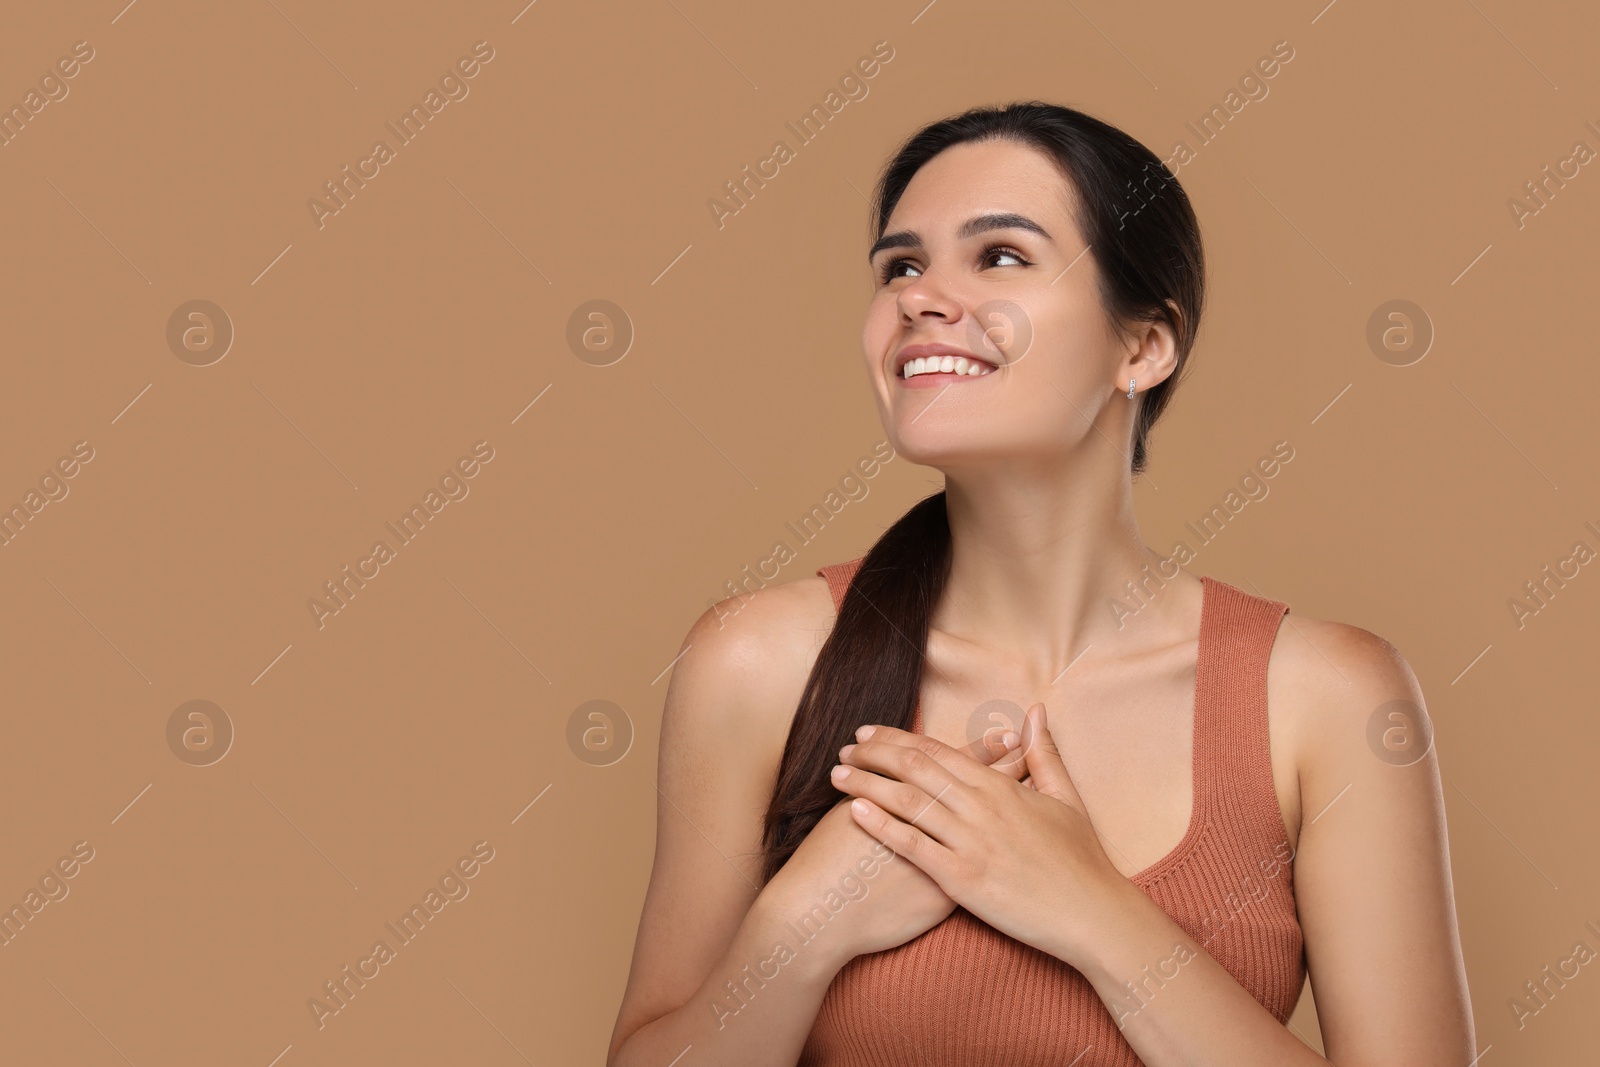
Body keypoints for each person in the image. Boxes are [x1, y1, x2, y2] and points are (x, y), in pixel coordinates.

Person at [607, 101, 1475, 1066]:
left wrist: (1088, 910)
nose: (922, 298)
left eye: (1001, 257)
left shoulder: (1327, 697)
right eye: (902, 265)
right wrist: (805, 922)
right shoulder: (759, 661)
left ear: (1143, 346)